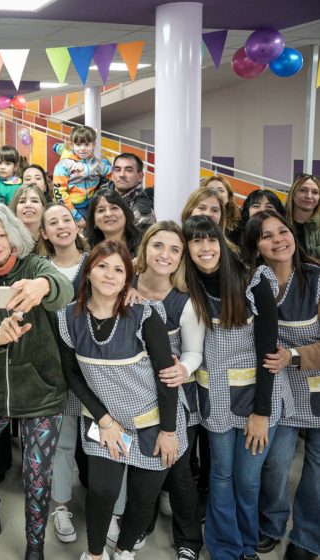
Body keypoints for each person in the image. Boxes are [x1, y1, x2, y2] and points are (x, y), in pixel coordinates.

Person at [0, 203, 73, 560]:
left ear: (13, 237)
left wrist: (42, 285)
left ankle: (35, 545)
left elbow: (64, 290)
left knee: (36, 479)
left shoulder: (35, 266)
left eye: (1, 234)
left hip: (41, 392)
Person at [58, 241, 183, 560]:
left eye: (118, 269)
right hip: (105, 421)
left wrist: (169, 432)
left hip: (155, 422)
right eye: (102, 266)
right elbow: (73, 375)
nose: (109, 275)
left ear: (128, 277)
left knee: (143, 496)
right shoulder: (68, 318)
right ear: (88, 271)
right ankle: (95, 554)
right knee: (102, 492)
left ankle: (125, 550)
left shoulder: (144, 314)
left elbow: (166, 376)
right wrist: (105, 421)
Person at [182, 215, 287, 560]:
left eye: (210, 239)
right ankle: (225, 549)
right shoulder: (187, 286)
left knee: (248, 479)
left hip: (257, 401)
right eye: (196, 241)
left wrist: (261, 412)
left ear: (221, 242)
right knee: (221, 476)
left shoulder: (252, 280)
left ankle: (246, 544)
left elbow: (268, 350)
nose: (205, 247)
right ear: (187, 248)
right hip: (215, 400)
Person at [243, 211, 320, 560]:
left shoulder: (316, 279)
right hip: (280, 390)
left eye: (283, 231)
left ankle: (307, 539)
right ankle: (272, 523)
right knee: (275, 463)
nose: (278, 240)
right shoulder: (252, 283)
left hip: (315, 384)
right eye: (267, 236)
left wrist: (294, 355)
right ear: (256, 247)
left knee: (316, 469)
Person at [133, 221, 205, 560]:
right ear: (145, 248)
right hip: (133, 396)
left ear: (181, 258)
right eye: (158, 246)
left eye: (175, 249)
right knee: (141, 468)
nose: (165, 255)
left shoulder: (185, 302)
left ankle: (189, 540)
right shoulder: (124, 285)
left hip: (175, 398)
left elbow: (194, 352)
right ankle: (141, 524)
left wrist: (183, 368)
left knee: (177, 470)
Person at [38, 203, 90, 545]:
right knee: (63, 442)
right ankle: (60, 506)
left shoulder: (95, 262)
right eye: (53, 223)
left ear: (76, 225)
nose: (61, 226)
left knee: (103, 444)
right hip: (58, 370)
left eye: (66, 219)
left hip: (97, 371)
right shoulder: (40, 270)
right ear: (44, 233)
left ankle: (112, 511)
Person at [53, 126, 112, 227]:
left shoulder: (97, 163)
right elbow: (59, 192)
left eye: (87, 144)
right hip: (73, 208)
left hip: (94, 205)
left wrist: (103, 193)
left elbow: (111, 174)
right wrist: (76, 216)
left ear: (93, 145)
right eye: (78, 144)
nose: (83, 148)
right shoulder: (63, 165)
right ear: (72, 145)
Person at [86, 189, 142, 256]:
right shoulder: (89, 254)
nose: (108, 214)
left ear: (125, 213)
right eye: (101, 210)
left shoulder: (144, 246)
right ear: (94, 220)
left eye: (114, 208)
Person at [109, 153, 155, 233]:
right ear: (112, 175)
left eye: (128, 170)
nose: (122, 175)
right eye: (118, 170)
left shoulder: (142, 214)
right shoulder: (103, 194)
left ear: (140, 177)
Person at [284, 173, 320, 258]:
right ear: (293, 194)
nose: (309, 196)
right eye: (303, 190)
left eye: (315, 192)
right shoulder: (278, 222)